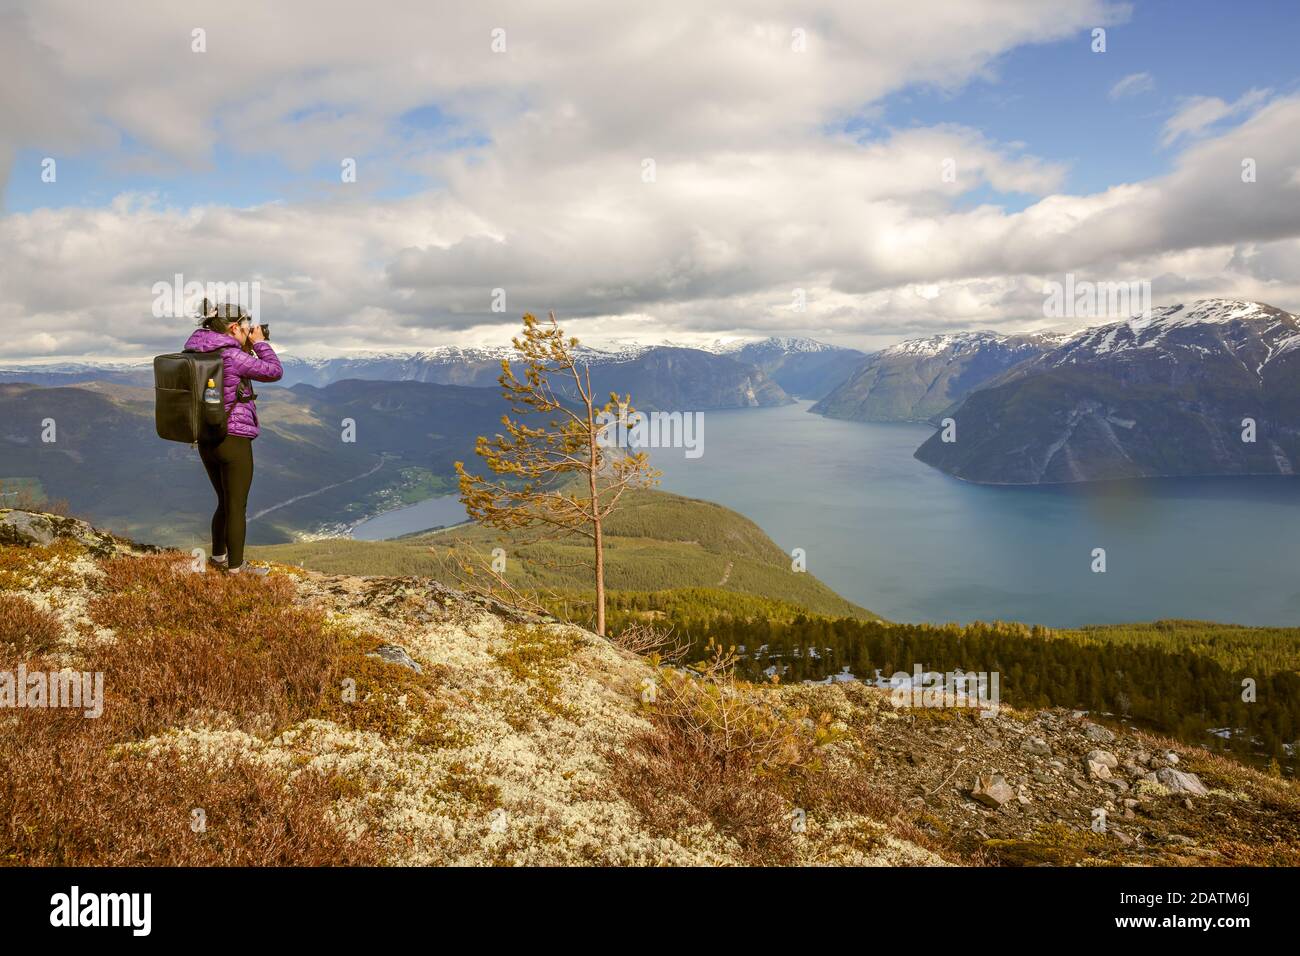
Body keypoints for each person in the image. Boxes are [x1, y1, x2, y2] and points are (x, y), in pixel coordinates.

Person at [183, 305, 283, 575]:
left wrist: (246, 346)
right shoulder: (232, 355)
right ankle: (237, 571)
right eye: (246, 324)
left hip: (206, 438)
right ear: (233, 328)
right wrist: (260, 344)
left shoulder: (195, 351)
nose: (250, 328)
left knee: (224, 501)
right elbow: (273, 371)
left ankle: (218, 557)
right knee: (237, 504)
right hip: (233, 438)